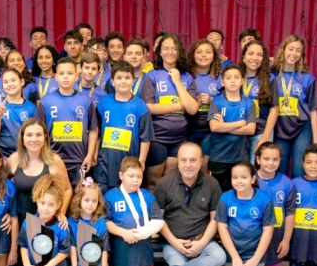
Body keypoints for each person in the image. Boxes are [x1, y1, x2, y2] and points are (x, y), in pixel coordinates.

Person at [7, 119, 72, 266]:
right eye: (29, 135)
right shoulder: (14, 159)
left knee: (47, 265)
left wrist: (60, 211)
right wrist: (5, 212)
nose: (33, 139)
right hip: (22, 220)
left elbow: (68, 189)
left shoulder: (53, 160)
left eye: (38, 135)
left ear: (45, 137)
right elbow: (2, 187)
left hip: (47, 221)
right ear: (22, 138)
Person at [104, 157, 164, 266]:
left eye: (138, 176)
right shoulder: (111, 196)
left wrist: (143, 233)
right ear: (121, 175)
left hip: (143, 249)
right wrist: (124, 233)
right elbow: (105, 221)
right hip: (121, 249)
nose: (135, 180)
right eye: (131, 176)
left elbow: (158, 220)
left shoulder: (147, 195)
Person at [141, 33, 199, 191]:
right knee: (153, 183)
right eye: (165, 48)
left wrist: (177, 81)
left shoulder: (187, 78)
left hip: (179, 139)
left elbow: (193, 109)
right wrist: (179, 106)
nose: (170, 52)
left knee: (170, 182)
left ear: (179, 51)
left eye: (174, 48)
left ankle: (166, 214)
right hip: (157, 138)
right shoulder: (151, 76)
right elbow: (149, 107)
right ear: (159, 52)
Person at [251, 142, 295, 266]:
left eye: (275, 159)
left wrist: (286, 239)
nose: (270, 163)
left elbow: (290, 213)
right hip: (253, 237)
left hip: (276, 237)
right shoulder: (251, 179)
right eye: (266, 158)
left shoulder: (287, 183)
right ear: (258, 159)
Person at [264, 35, 317, 179]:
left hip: (302, 128)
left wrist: (315, 140)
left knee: (298, 171)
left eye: (298, 50)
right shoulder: (271, 75)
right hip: (279, 128)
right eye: (290, 49)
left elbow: (313, 110)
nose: (294, 53)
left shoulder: (307, 77)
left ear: (302, 54)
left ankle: (297, 201)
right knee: (279, 171)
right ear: (283, 50)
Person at [36, 57, 99, 186]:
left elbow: (93, 130)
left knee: (78, 200)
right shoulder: (46, 102)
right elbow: (39, 132)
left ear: (77, 76)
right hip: (53, 160)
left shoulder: (86, 101)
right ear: (55, 77)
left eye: (70, 74)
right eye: (62, 73)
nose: (66, 77)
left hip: (79, 161)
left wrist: (90, 155)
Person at [94, 60, 153, 191]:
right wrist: (95, 153)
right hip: (105, 162)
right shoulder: (104, 102)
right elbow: (96, 131)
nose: (123, 81)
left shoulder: (140, 106)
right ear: (112, 81)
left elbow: (146, 138)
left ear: (133, 80)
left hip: (129, 164)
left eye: (127, 77)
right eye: (119, 78)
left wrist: (141, 161)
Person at [208, 64, 257, 192]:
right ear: (223, 82)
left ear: (242, 81)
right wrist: (240, 123)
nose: (233, 80)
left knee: (238, 191)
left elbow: (251, 129)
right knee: (218, 193)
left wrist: (223, 126)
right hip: (219, 156)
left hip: (239, 157)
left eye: (236, 77)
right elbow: (214, 127)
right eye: (229, 78)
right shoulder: (216, 102)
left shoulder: (248, 103)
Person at [187, 39, 223, 171]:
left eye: (208, 52)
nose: (203, 55)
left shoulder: (220, 77)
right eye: (199, 52)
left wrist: (212, 100)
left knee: (202, 166)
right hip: (187, 127)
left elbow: (227, 103)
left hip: (208, 129)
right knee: (187, 164)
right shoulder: (186, 76)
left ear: (214, 55)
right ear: (193, 55)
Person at [239, 40, 277, 162]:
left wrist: (264, 138)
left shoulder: (270, 79)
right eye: (251, 53)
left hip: (260, 132)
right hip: (238, 132)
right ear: (243, 57)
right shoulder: (235, 76)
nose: (255, 58)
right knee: (239, 172)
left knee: (256, 171)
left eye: (259, 55)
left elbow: (274, 110)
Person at [0, 68, 37, 158]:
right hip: (2, 156)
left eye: (13, 80)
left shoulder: (31, 108)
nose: (9, 84)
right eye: (5, 82)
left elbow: (35, 134)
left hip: (25, 155)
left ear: (21, 82)